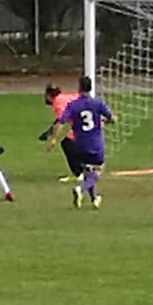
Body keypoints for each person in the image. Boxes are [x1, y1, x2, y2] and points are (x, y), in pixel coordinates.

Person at [47, 76, 115, 208]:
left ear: (79, 88)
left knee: (87, 172)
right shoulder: (98, 103)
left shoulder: (73, 105)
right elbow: (112, 118)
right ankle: (80, 189)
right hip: (95, 144)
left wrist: (54, 138)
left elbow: (60, 121)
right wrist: (106, 121)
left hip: (78, 144)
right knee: (97, 170)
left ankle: (94, 198)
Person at [40, 84, 82, 182]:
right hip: (91, 122)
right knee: (74, 144)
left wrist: (53, 138)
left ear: (49, 95)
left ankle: (79, 174)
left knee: (67, 144)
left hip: (82, 126)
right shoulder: (66, 97)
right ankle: (84, 170)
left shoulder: (57, 103)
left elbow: (61, 121)